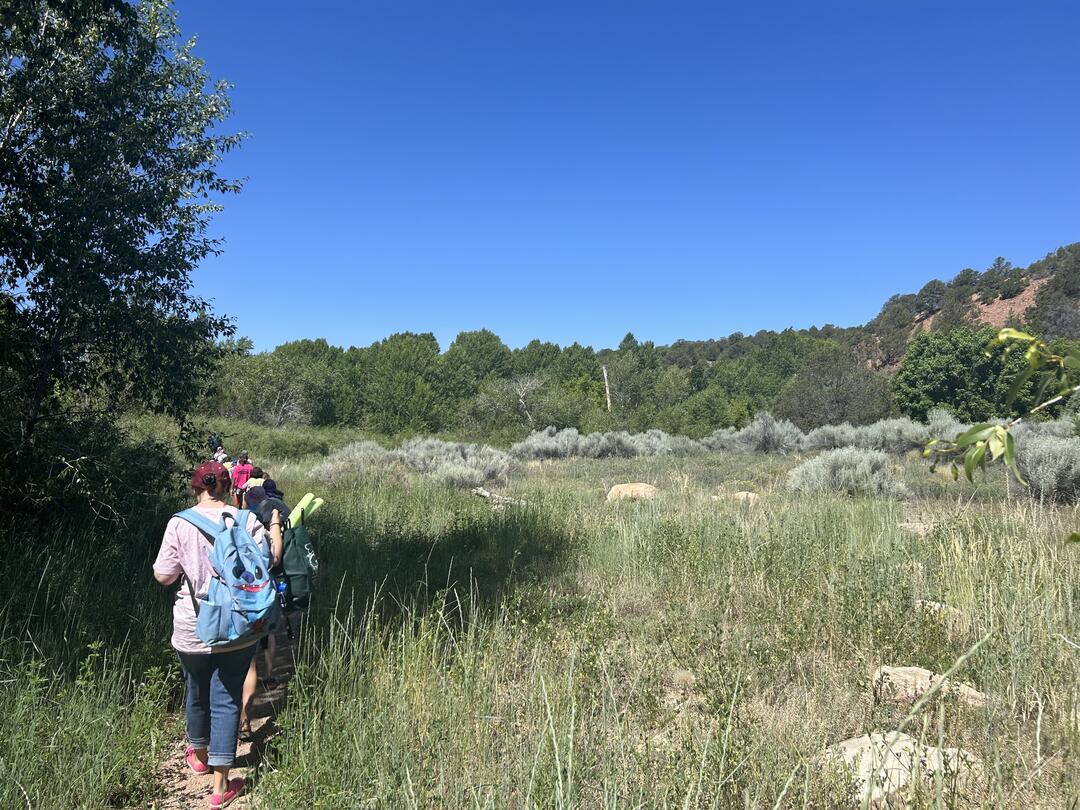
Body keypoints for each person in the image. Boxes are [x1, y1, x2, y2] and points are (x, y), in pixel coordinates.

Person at [153, 460, 283, 809]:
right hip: (240, 627)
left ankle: (198, 755)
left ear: (196, 488)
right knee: (226, 699)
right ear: (228, 487)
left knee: (196, 689)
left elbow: (164, 577)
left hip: (193, 626)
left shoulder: (178, 523)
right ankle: (220, 788)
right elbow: (269, 561)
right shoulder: (247, 520)